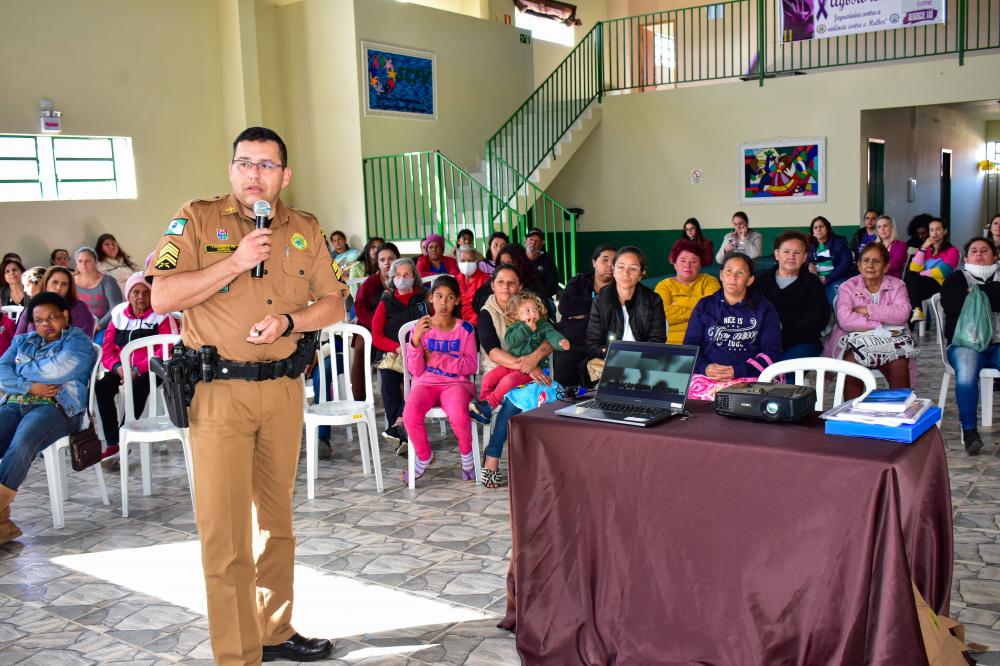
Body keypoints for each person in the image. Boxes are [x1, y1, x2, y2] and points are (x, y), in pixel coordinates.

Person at [146, 127, 344, 664]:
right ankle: (237, 655)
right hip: (218, 394)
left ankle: (274, 631)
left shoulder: (304, 228)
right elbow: (161, 296)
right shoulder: (196, 219)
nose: (254, 174)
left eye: (266, 165)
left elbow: (334, 304)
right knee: (225, 532)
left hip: (282, 389)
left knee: (276, 524)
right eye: (244, 163)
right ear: (231, 168)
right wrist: (234, 261)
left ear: (285, 175)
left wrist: (289, 321)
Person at [0, 292, 95, 545]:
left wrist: (19, 373)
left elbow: (60, 369)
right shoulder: (22, 341)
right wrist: (29, 387)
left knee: (22, 442)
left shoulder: (78, 341)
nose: (45, 324)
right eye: (39, 320)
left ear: (65, 316)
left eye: (51, 317)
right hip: (18, 402)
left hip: (57, 407)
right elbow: (1, 372)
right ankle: (2, 524)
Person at [478, 264, 553, 482]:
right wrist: (526, 365)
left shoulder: (530, 308)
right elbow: (493, 352)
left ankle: (492, 456)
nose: (506, 287)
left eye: (512, 283)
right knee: (513, 398)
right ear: (493, 285)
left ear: (519, 286)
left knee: (515, 399)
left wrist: (534, 359)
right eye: (500, 282)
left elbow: (550, 339)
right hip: (500, 373)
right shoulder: (486, 313)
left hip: (532, 369)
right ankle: (494, 457)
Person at [401, 275, 478, 485]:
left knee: (458, 415)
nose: (444, 303)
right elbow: (415, 368)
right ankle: (425, 457)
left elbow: (471, 366)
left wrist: (437, 359)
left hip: (456, 384)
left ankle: (467, 458)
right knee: (409, 415)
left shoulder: (466, 330)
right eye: (439, 296)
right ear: (430, 298)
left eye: (450, 297)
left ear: (458, 301)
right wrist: (415, 341)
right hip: (425, 383)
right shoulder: (421, 327)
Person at [95, 273, 179, 458]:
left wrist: (136, 369)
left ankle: (126, 431)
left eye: (145, 292)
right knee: (102, 387)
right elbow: (107, 348)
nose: (140, 296)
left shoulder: (161, 314)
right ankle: (113, 441)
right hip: (121, 367)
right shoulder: (118, 315)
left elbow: (168, 348)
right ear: (128, 294)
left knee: (139, 387)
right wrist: (118, 367)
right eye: (135, 292)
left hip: (153, 368)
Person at [823, 242, 916, 400]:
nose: (870, 265)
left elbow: (902, 314)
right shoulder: (847, 287)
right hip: (856, 343)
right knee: (852, 363)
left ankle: (899, 412)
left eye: (876, 261)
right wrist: (881, 323)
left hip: (891, 343)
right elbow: (845, 320)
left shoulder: (898, 286)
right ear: (859, 265)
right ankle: (853, 414)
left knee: (899, 363)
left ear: (886, 266)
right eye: (865, 261)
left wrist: (868, 310)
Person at [684, 253, 782, 399]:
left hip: (751, 377)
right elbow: (691, 344)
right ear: (721, 275)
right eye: (729, 271)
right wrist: (704, 367)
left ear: (750, 280)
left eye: (740, 273)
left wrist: (738, 371)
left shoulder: (765, 309)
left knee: (747, 404)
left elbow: (771, 352)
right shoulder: (705, 305)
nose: (733, 277)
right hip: (707, 376)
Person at [470, 291, 568, 425]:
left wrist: (561, 342)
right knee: (489, 378)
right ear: (516, 314)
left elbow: (553, 336)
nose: (532, 313)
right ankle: (484, 409)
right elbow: (511, 341)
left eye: (535, 309)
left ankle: (490, 404)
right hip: (513, 365)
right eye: (527, 310)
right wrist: (527, 329)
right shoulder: (514, 327)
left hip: (535, 370)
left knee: (508, 381)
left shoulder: (543, 326)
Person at [940, 237, 1000, 455]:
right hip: (964, 343)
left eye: (985, 250)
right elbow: (951, 302)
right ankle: (970, 430)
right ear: (966, 257)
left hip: (997, 344)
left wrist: (974, 294)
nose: (979, 254)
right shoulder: (957, 277)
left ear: (995, 256)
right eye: (974, 250)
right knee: (966, 371)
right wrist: (990, 293)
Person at [372, 257, 427, 454]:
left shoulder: (424, 301)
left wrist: (413, 349)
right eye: (397, 275)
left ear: (414, 277)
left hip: (421, 353)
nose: (402, 279)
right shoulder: (386, 301)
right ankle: (400, 427)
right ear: (392, 278)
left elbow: (433, 329)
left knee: (417, 382)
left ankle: (400, 428)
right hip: (394, 355)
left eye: (406, 275)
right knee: (388, 380)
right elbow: (376, 336)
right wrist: (397, 348)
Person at [756, 231, 830, 360]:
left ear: (804, 257)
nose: (791, 256)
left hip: (801, 343)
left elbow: (819, 319)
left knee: (786, 375)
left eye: (797, 253)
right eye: (786, 251)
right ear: (776, 254)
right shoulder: (760, 280)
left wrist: (783, 338)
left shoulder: (812, 283)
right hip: (762, 342)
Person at [587, 246, 667, 361]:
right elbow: (592, 343)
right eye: (620, 267)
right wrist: (607, 352)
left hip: (644, 361)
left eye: (633, 269)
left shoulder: (653, 300)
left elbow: (657, 341)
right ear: (613, 269)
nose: (626, 273)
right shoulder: (601, 300)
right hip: (609, 360)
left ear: (641, 274)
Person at [554, 244, 615, 386]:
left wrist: (584, 313)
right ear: (594, 262)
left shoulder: (618, 289)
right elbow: (565, 306)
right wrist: (599, 306)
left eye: (614, 261)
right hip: (572, 342)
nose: (610, 265)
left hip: (602, 344)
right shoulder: (579, 281)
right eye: (605, 260)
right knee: (564, 367)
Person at [349, 242, 399, 407]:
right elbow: (359, 307)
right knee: (361, 347)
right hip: (370, 327)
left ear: (397, 260)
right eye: (382, 259)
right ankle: (359, 403)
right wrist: (377, 324)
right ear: (377, 263)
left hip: (397, 329)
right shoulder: (370, 283)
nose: (387, 263)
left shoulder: (405, 280)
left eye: (391, 258)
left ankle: (403, 401)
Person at [654, 240, 720, 344]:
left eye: (693, 261)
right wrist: (698, 308)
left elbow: (712, 312)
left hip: (703, 342)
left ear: (700, 265)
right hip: (670, 342)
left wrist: (677, 305)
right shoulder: (664, 286)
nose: (687, 266)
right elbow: (661, 315)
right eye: (682, 261)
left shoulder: (709, 282)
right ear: (675, 264)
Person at [14, 266, 96, 338]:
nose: (58, 288)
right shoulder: (33, 307)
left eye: (64, 284)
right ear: (45, 284)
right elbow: (17, 340)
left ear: (69, 288)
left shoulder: (78, 308)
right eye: (55, 282)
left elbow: (81, 343)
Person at [905, 218, 959, 323]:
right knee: (909, 286)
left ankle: (911, 325)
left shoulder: (952, 251)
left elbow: (943, 272)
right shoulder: (926, 250)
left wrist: (921, 273)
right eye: (931, 230)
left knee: (909, 286)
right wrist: (923, 247)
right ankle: (917, 310)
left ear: (945, 231)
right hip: (921, 284)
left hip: (939, 284)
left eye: (938, 229)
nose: (934, 232)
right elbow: (913, 268)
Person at [75, 247, 123, 342]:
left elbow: (116, 307)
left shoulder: (108, 281)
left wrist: (98, 326)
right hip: (78, 328)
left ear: (96, 262)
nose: (83, 264)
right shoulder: (71, 281)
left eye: (88, 261)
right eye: (80, 261)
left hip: (103, 326)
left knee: (100, 344)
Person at [807, 215, 854, 304]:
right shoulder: (810, 245)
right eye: (815, 227)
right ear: (813, 232)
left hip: (836, 278)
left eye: (821, 226)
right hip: (816, 280)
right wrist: (809, 263)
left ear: (828, 229)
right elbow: (803, 259)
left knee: (833, 298)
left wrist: (829, 278)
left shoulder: (839, 242)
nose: (818, 229)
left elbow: (847, 263)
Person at [456, 244, 489, 326]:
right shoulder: (455, 280)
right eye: (463, 260)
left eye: (470, 260)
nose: (466, 263)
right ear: (458, 262)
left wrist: (469, 325)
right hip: (457, 323)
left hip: (478, 323)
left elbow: (485, 307)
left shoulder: (485, 280)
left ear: (476, 261)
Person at [524, 227, 560, 300]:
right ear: (525, 241)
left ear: (541, 244)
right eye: (531, 239)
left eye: (537, 240)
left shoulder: (547, 260)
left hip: (542, 298)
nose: (533, 242)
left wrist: (538, 297)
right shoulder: (518, 257)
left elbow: (552, 285)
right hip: (520, 298)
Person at [875, 215, 908, 279]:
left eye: (885, 226)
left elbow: (894, 265)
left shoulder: (901, 245)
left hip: (893, 280)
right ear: (877, 231)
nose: (882, 229)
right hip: (875, 279)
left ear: (891, 228)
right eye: (879, 227)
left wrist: (875, 266)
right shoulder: (874, 246)